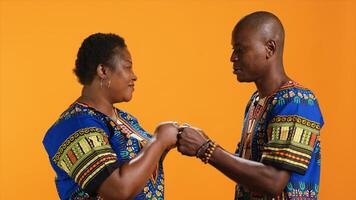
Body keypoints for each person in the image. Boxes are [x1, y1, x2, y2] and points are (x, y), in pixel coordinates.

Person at [177, 11, 324, 200]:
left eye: (240, 49)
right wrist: (204, 142)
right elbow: (246, 169)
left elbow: (273, 181)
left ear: (270, 49)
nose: (232, 57)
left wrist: (206, 148)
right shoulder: (256, 101)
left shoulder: (298, 101)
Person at [43, 33, 178, 200]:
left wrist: (172, 140)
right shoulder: (75, 125)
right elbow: (117, 190)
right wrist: (160, 140)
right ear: (103, 70)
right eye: (128, 67)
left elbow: (139, 166)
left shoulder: (125, 119)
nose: (134, 76)